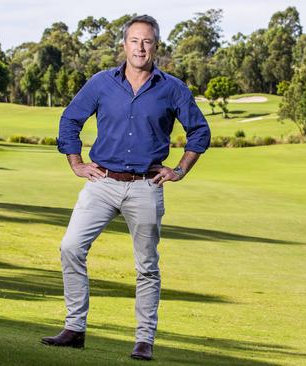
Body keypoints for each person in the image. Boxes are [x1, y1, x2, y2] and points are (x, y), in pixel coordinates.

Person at [40, 14, 210, 361]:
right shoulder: (102, 83)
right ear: (124, 45)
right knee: (71, 247)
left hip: (146, 186)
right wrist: (75, 162)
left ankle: (144, 340)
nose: (140, 47)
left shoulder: (172, 88)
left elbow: (200, 133)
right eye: (134, 40)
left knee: (147, 266)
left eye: (147, 41)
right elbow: (70, 119)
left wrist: (179, 169)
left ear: (156, 46)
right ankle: (74, 329)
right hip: (102, 182)